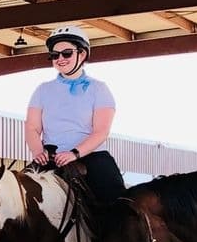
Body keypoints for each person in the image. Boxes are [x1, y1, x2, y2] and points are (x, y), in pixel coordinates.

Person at [24, 24, 126, 204]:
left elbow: (101, 131)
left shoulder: (99, 89)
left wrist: (74, 154)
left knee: (117, 205)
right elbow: (32, 127)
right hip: (50, 158)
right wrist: (37, 151)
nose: (60, 59)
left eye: (66, 53)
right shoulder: (42, 90)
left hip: (90, 158)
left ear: (82, 54)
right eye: (55, 55)